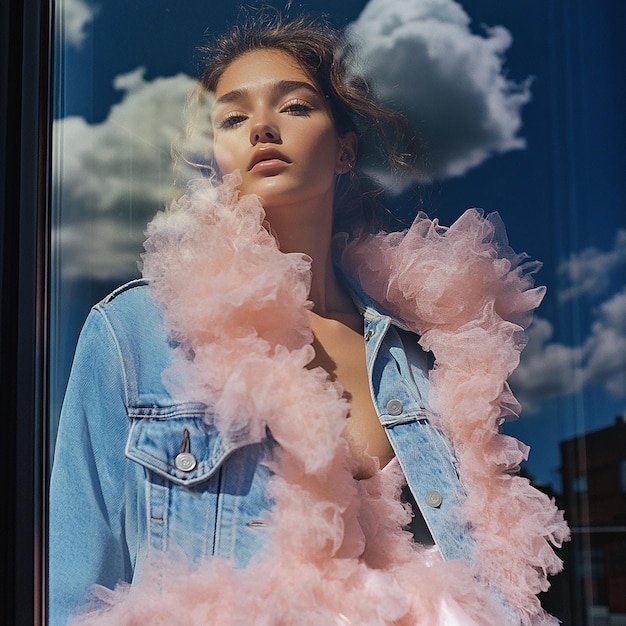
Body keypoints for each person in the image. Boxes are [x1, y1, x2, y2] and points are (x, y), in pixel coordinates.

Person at [49, 14, 569, 626]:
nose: (262, 127)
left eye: (294, 107)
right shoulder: (134, 333)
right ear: (213, 159)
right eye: (233, 118)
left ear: (345, 149)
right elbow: (75, 583)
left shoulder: (419, 349)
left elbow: (473, 566)